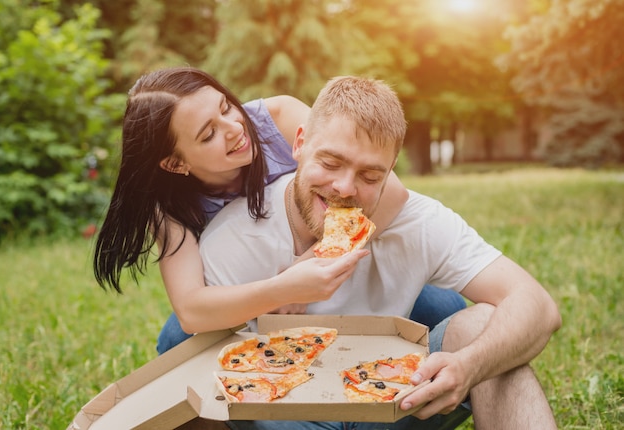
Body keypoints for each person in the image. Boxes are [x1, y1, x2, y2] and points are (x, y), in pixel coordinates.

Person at [198, 76, 562, 429]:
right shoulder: (231, 238)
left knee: (485, 330)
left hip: (398, 400)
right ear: (300, 143)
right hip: (285, 411)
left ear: (390, 174)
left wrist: (470, 366)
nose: (344, 187)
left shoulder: (419, 221)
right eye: (330, 163)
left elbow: (537, 305)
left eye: (370, 176)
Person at [92, 67, 466, 354]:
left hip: (337, 262)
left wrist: (310, 267)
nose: (235, 127)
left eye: (225, 106)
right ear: (175, 163)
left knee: (443, 304)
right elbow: (192, 308)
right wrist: (279, 290)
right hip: (249, 298)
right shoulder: (169, 207)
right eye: (208, 134)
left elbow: (392, 194)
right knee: (177, 338)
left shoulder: (279, 119)